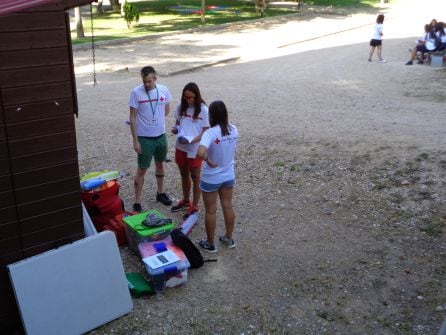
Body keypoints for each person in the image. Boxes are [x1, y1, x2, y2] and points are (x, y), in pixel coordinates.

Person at [128, 66, 173, 212]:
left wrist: (156, 121)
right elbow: (132, 117)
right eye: (144, 81)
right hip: (145, 138)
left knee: (160, 164)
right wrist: (135, 140)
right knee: (142, 169)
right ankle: (137, 201)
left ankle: (160, 193)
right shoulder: (136, 92)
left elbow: (167, 110)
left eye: (149, 81)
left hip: (161, 135)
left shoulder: (164, 90)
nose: (146, 84)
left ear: (155, 78)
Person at [196, 101, 238, 253]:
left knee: (211, 211)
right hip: (228, 175)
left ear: (211, 115)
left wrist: (208, 160)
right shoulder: (233, 129)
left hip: (211, 177)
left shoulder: (210, 133)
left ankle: (210, 243)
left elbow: (200, 152)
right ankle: (228, 238)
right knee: (227, 205)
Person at [171, 83, 209, 220]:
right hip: (181, 146)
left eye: (191, 97)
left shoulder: (204, 110)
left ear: (197, 96)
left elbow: (205, 131)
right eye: (186, 98)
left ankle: (196, 205)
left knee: (195, 176)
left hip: (194, 148)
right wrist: (175, 130)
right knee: (183, 174)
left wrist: (193, 140)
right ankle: (186, 201)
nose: (188, 100)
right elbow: (177, 124)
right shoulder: (181, 107)